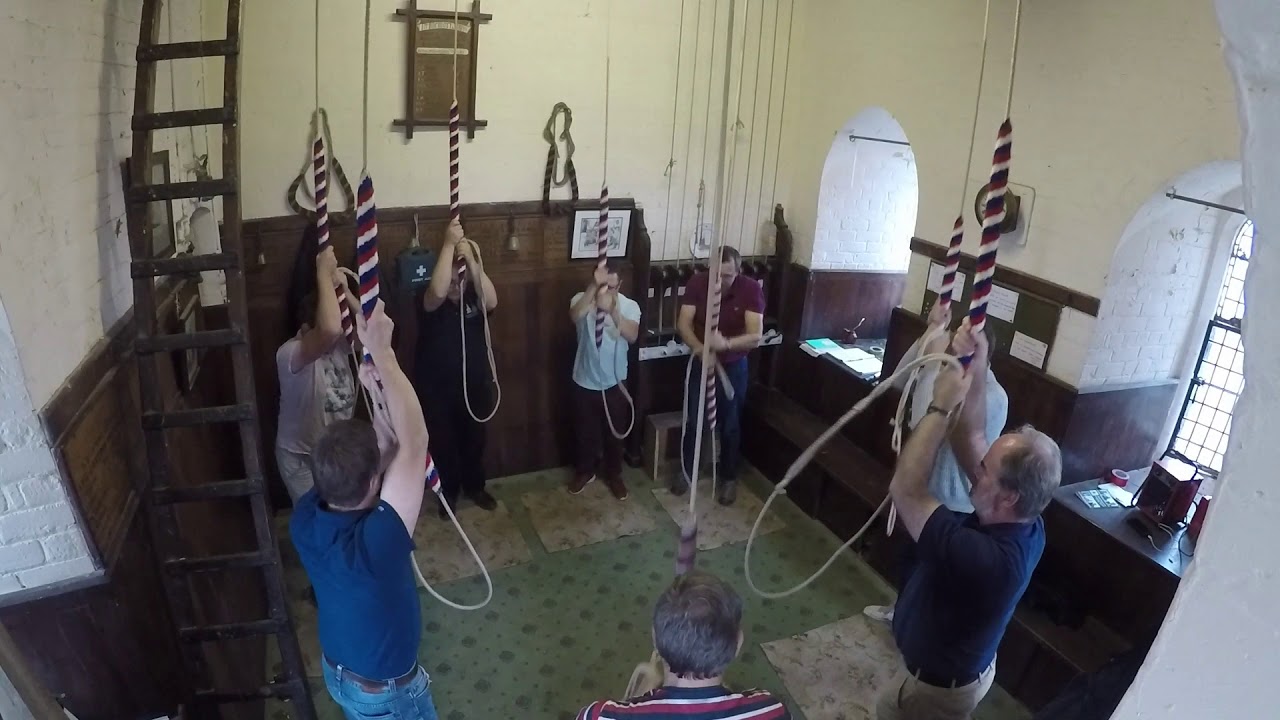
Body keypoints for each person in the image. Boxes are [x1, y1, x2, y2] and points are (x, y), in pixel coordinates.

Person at [876, 319, 1061, 720]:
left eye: (987, 469)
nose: (977, 468)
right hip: (946, 672)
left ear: (1008, 495)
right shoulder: (1023, 517)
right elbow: (971, 435)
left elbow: (906, 490)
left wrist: (940, 406)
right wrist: (976, 368)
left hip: (937, 693)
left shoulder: (984, 559)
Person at [290, 299, 439, 720]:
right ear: (374, 483)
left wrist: (376, 393)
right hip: (388, 696)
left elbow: (391, 449)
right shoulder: (375, 545)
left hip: (340, 674)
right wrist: (385, 356)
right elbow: (415, 443)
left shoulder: (304, 518)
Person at [864, 302, 1009, 624]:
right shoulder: (937, 371)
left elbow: (974, 458)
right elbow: (900, 378)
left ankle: (914, 627)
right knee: (908, 560)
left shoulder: (994, 398)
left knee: (930, 572)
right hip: (919, 490)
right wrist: (931, 332)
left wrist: (952, 401)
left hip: (951, 505)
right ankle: (900, 612)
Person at [575, 570, 790, 720]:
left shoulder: (598, 716)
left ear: (655, 640)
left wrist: (643, 696)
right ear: (737, 644)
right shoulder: (772, 710)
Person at [416, 218, 499, 519]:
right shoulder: (428, 302)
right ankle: (447, 492)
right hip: (437, 387)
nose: (454, 287)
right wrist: (449, 244)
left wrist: (473, 264)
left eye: (458, 281)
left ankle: (475, 486)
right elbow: (436, 293)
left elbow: (492, 299)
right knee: (444, 442)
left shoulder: (474, 297)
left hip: (474, 384)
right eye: (450, 280)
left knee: (475, 438)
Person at [674, 246, 765, 506]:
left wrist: (724, 344)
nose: (719, 280)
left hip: (733, 366)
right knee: (694, 420)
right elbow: (684, 322)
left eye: (726, 275)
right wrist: (700, 348)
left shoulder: (750, 289)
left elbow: (755, 335)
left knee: (730, 424)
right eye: (715, 273)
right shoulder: (697, 282)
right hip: (702, 361)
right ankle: (688, 470)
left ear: (738, 272)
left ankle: (727, 477)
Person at [275, 242, 357, 503]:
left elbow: (373, 330)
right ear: (305, 327)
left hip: (332, 451)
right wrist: (322, 272)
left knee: (336, 513)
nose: (334, 342)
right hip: (300, 457)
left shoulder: (342, 345)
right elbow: (329, 330)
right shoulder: (291, 353)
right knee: (315, 520)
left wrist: (343, 289)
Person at [568, 259, 642, 499]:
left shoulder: (630, 307)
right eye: (602, 285)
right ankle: (585, 471)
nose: (605, 291)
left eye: (610, 287)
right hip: (585, 378)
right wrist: (593, 289)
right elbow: (574, 315)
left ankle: (614, 474)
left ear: (619, 285)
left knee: (614, 433)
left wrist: (612, 310)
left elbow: (632, 336)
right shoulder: (583, 299)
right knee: (584, 432)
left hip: (615, 381)